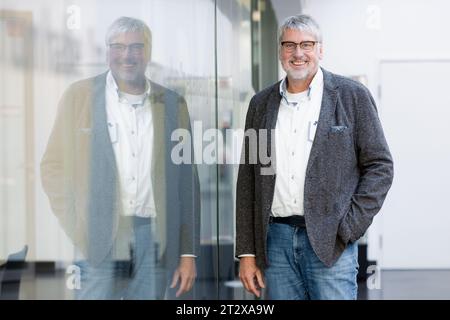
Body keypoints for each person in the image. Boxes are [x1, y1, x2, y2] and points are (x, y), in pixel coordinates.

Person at [236, 14, 393, 300]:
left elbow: (380, 167)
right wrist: (247, 253)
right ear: (280, 50)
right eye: (289, 45)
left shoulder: (351, 96)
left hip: (330, 241)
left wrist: (348, 227)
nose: (298, 53)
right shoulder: (261, 104)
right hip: (276, 243)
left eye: (307, 44)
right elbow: (248, 180)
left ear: (321, 49)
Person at [41, 17, 200, 299]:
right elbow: (53, 167)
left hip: (154, 240)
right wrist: (78, 226)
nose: (127, 55)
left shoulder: (174, 105)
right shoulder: (80, 97)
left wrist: (187, 253)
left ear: (148, 52)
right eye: (118, 47)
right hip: (98, 239)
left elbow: (187, 184)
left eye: (136, 47)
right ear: (107, 51)